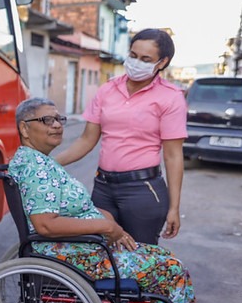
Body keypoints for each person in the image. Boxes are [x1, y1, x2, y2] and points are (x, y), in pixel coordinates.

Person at [8, 97, 210, 303]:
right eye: (46, 120)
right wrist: (106, 226)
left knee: (164, 258)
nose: (56, 125)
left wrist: (103, 219)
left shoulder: (40, 162)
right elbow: (46, 225)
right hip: (74, 254)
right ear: (25, 129)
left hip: (82, 248)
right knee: (169, 270)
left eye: (58, 119)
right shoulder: (36, 167)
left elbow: (64, 210)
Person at [54, 28, 186, 246]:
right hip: (103, 188)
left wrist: (174, 208)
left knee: (138, 257)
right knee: (99, 254)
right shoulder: (107, 89)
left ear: (162, 62)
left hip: (143, 191)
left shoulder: (170, 98)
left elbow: (173, 156)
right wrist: (50, 163)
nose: (136, 62)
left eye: (146, 59)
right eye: (133, 55)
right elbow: (87, 140)